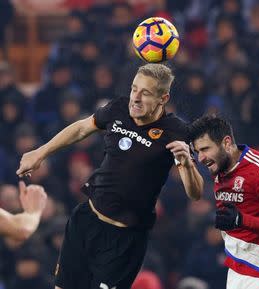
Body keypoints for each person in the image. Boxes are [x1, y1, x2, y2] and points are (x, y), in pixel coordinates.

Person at [16, 63, 204, 289]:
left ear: (163, 99)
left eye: (145, 93)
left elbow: (195, 193)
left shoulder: (176, 131)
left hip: (125, 240)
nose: (135, 97)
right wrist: (41, 152)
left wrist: (187, 164)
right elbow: (81, 129)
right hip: (86, 220)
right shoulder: (118, 108)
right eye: (134, 89)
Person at [190, 115, 259, 289]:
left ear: (227, 143)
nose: (201, 158)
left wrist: (240, 220)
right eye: (197, 151)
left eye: (205, 149)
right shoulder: (218, 168)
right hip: (236, 269)